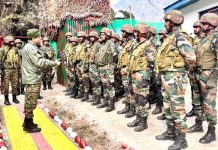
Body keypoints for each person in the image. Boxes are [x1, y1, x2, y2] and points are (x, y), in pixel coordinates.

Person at [155, 10, 196, 150]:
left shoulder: (180, 37)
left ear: (173, 22)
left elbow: (191, 58)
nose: (165, 23)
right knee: (167, 107)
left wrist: (181, 72)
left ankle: (182, 139)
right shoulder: (170, 37)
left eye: (166, 21)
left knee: (177, 109)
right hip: (167, 77)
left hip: (175, 78)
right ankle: (171, 132)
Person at [21, 28, 61, 133]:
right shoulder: (31, 48)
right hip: (32, 79)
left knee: (30, 101)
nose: (41, 38)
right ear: (34, 38)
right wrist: (54, 63)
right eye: (39, 37)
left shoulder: (30, 47)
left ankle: (27, 122)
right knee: (31, 102)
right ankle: (28, 125)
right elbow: (39, 62)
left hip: (32, 78)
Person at [187, 13, 218, 144]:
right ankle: (198, 124)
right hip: (198, 74)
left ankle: (212, 132)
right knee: (197, 101)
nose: (201, 26)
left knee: (209, 104)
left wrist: (213, 78)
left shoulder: (215, 38)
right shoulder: (203, 38)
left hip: (208, 75)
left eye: (204, 24)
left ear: (212, 24)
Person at [127, 24, 156, 132]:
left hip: (142, 76)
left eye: (135, 32)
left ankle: (143, 122)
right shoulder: (138, 45)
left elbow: (152, 63)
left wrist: (146, 78)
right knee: (136, 99)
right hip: (135, 75)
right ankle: (138, 118)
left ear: (140, 33)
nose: (133, 34)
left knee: (142, 99)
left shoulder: (148, 45)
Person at [96, 27, 117, 112]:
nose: (101, 36)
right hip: (102, 67)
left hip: (108, 68)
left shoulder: (110, 43)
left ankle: (111, 105)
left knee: (109, 86)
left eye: (103, 34)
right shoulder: (102, 44)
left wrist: (112, 66)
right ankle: (105, 101)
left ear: (107, 35)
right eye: (100, 34)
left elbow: (115, 55)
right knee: (104, 85)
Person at [117, 24, 136, 116]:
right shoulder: (126, 43)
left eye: (123, 32)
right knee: (126, 90)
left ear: (128, 32)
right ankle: (127, 107)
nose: (122, 33)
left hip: (129, 69)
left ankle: (132, 109)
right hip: (124, 69)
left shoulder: (133, 43)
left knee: (131, 90)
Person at [186, 20, 203, 118]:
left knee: (203, 93)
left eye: (197, 27)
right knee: (194, 91)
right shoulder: (193, 39)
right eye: (194, 27)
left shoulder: (206, 39)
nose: (195, 29)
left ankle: (203, 111)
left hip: (202, 70)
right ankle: (195, 109)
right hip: (193, 70)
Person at [0, 36, 20, 105]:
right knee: (6, 85)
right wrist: (1, 70)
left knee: (15, 84)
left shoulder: (15, 49)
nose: (12, 42)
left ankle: (14, 98)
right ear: (7, 41)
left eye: (13, 41)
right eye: (11, 41)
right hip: (6, 70)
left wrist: (18, 67)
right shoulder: (3, 49)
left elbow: (18, 59)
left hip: (14, 69)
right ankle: (6, 99)